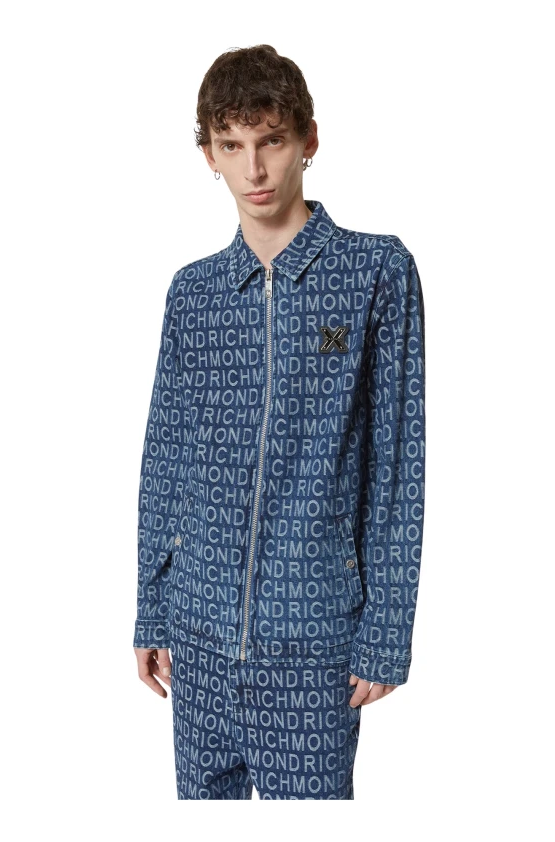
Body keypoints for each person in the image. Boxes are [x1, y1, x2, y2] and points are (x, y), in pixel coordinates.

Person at [133, 44, 426, 800]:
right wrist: (150, 610)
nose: (254, 168)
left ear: (308, 141)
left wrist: (386, 631)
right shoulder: (193, 293)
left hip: (314, 638)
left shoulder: (375, 272)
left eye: (271, 140)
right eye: (231, 145)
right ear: (209, 155)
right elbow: (165, 455)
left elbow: (397, 464)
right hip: (197, 635)